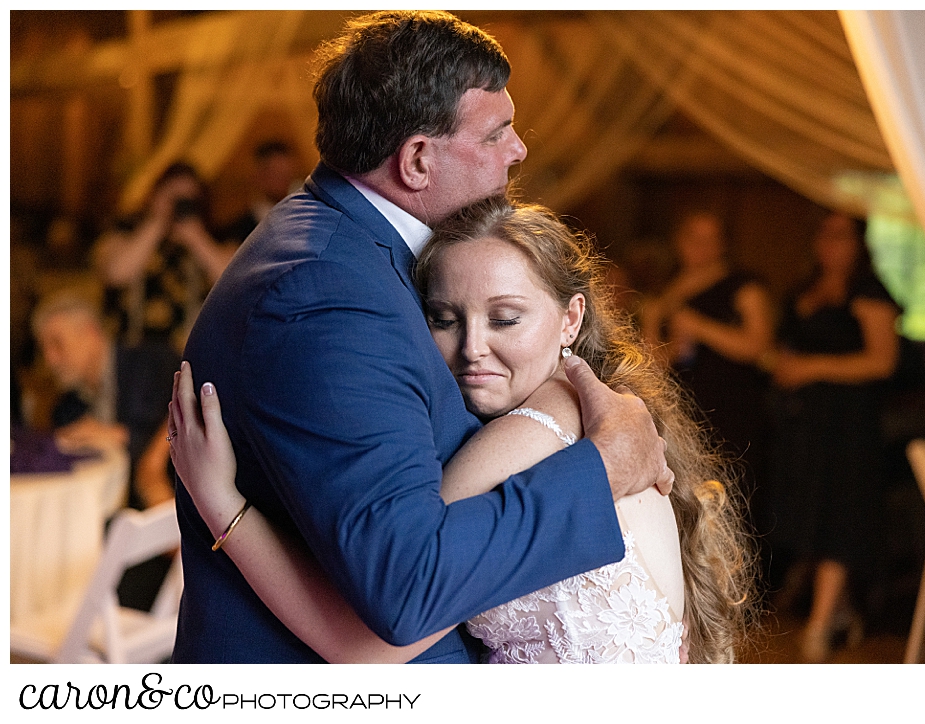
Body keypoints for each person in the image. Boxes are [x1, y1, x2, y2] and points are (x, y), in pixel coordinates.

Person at [171, 11, 672, 664]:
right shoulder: (326, 293)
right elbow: (405, 588)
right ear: (415, 160)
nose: (519, 150)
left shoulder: (355, 251)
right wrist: (606, 467)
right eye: (497, 133)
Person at [170, 197, 754, 663]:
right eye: (445, 319)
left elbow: (367, 649)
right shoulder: (592, 408)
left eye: (505, 318)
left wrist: (223, 505)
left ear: (571, 318)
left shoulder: (531, 433)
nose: (474, 348)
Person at [764, 212, 900, 662]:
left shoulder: (868, 291)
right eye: (823, 232)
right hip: (805, 423)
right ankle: (840, 610)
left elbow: (882, 361)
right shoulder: (804, 288)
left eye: (840, 235)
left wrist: (813, 368)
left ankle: (822, 623)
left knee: (840, 515)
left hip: (849, 422)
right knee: (809, 513)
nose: (829, 243)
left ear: (859, 242)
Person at [641, 212, 774, 536]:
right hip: (682, 411)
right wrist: (652, 322)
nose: (700, 247)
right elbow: (652, 361)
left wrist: (700, 327)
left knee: (730, 503)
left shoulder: (744, 287)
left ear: (723, 245)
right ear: (678, 240)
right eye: (692, 237)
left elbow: (758, 346)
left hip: (731, 411)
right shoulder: (667, 290)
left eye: (709, 239)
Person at [31, 289, 179, 510]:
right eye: (44, 349)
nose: (50, 359)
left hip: (178, 513)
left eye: (57, 344)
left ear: (90, 333)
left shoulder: (151, 362)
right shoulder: (66, 407)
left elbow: (189, 418)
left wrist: (122, 437)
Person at [92, 162, 237, 352]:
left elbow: (232, 284)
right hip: (132, 352)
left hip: (188, 352)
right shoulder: (125, 231)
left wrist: (196, 237)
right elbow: (117, 273)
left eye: (189, 199)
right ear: (155, 194)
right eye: (173, 197)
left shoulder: (216, 238)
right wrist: (157, 222)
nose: (179, 205)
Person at [218, 140, 302, 245]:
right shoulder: (241, 231)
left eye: (287, 174)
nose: (284, 182)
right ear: (258, 176)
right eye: (276, 175)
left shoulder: (303, 213)